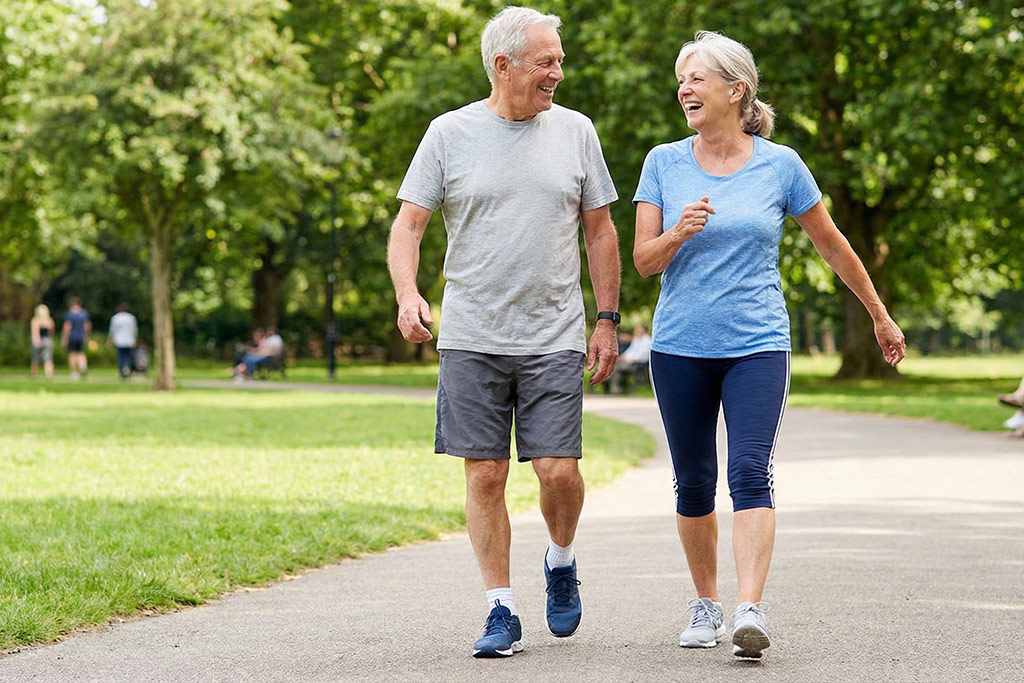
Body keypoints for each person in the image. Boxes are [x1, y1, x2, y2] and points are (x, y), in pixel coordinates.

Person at [632, 31, 905, 659]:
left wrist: (879, 316)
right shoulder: (662, 162)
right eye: (682, 78)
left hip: (757, 341)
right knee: (694, 482)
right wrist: (678, 232)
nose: (685, 88)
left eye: (697, 77)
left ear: (737, 87)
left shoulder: (780, 165)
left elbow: (833, 245)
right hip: (680, 346)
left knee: (751, 470)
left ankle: (749, 609)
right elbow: (644, 261)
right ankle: (705, 605)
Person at [386, 6, 621, 660]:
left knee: (559, 470)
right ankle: (501, 609)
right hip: (471, 334)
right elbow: (408, 227)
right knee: (485, 474)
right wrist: (407, 292)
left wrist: (606, 319)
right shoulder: (448, 133)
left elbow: (600, 230)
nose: (558, 71)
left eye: (559, 59)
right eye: (547, 60)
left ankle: (562, 557)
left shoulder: (576, 132)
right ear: (504, 65)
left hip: (553, 333)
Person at [609, 324, 652, 392]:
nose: (637, 331)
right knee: (613, 364)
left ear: (643, 330)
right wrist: (623, 357)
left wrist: (628, 358)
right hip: (630, 361)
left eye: (638, 329)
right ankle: (615, 387)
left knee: (617, 368)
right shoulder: (637, 339)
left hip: (639, 363)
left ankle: (616, 388)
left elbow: (642, 355)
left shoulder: (647, 341)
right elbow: (630, 350)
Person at [62, 297, 92, 379]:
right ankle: (83, 367)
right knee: (81, 353)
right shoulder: (84, 313)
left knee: (72, 354)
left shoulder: (69, 314)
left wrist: (65, 337)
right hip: (81, 336)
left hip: (72, 336)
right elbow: (86, 326)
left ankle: (74, 372)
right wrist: (86, 336)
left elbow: (67, 326)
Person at [106, 303, 139, 379]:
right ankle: (128, 369)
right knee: (129, 356)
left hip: (119, 340)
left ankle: (123, 370)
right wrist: (135, 339)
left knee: (121, 356)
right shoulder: (131, 318)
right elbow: (134, 330)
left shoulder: (115, 318)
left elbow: (112, 331)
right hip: (129, 340)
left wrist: (110, 341)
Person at [30, 304, 56, 378]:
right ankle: (49, 373)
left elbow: (35, 331)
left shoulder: (35, 320)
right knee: (48, 357)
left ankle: (34, 373)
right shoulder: (49, 320)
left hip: (38, 340)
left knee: (35, 357)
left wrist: (36, 340)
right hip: (48, 340)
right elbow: (52, 332)